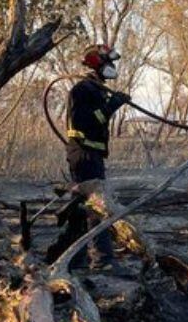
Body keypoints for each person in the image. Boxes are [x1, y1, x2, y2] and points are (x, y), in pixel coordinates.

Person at [46, 43, 131, 267]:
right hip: (84, 154)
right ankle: (102, 259)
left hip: (90, 154)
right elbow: (86, 122)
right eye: (108, 62)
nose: (112, 67)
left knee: (81, 209)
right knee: (96, 207)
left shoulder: (96, 89)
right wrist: (112, 105)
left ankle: (69, 258)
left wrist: (111, 103)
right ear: (97, 64)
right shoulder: (83, 89)